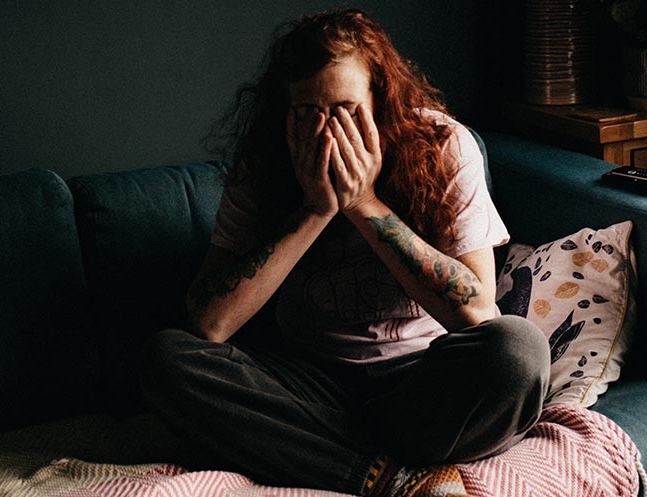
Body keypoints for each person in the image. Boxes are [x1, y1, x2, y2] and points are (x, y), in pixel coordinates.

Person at [140, 9, 550, 497]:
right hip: (306, 382)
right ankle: (384, 477)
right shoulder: (264, 162)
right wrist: (316, 210)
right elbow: (209, 325)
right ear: (283, 112)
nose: (329, 134)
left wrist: (362, 204)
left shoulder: (444, 145)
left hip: (421, 380)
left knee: (519, 351)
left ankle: (319, 453)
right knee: (166, 358)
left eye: (347, 111)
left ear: (381, 101)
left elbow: (478, 311)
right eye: (308, 114)